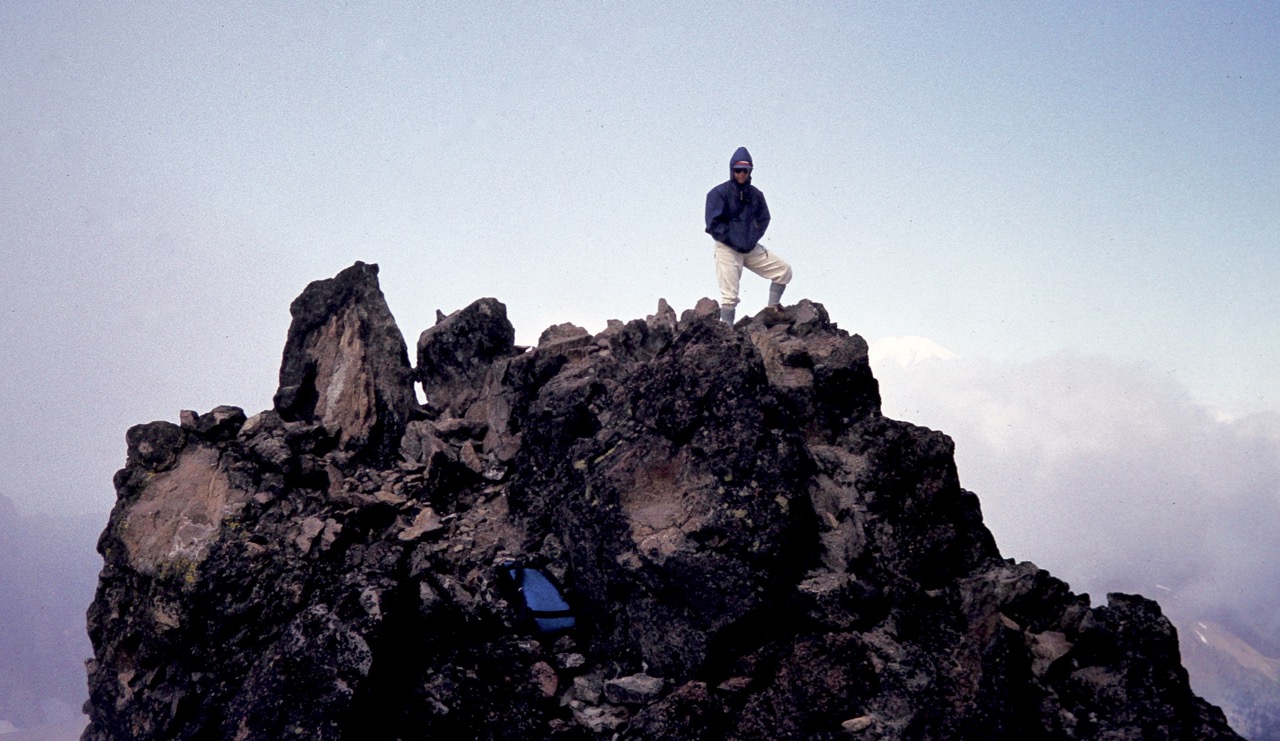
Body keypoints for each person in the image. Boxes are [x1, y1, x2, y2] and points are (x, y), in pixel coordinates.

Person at [704, 146, 793, 324]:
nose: (741, 174)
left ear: (750, 170)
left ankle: (772, 310)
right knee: (730, 295)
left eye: (745, 170)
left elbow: (764, 218)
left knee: (783, 270)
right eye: (738, 170)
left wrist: (751, 238)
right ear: (732, 170)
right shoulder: (719, 193)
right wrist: (732, 239)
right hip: (727, 248)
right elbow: (713, 223)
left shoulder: (756, 195)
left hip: (750, 248)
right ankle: (726, 335)